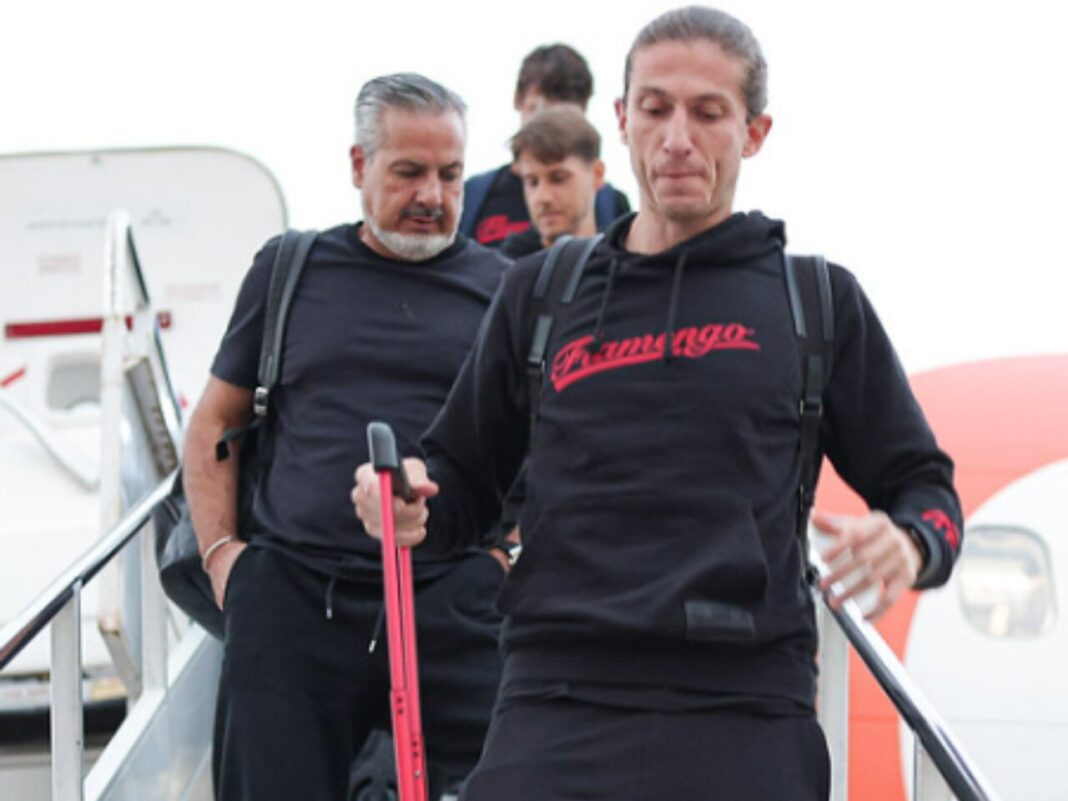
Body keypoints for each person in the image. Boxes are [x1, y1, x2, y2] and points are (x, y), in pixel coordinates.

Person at [353, 7, 963, 801]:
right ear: (621, 120)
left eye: (709, 112)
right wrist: (406, 501)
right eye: (655, 108)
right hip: (554, 697)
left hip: (746, 705)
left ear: (754, 131)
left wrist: (912, 542)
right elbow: (461, 483)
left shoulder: (817, 302)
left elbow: (928, 491)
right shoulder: (542, 292)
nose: (678, 137)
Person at [183, 72, 511, 801]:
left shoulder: (506, 288)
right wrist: (224, 561)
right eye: (409, 171)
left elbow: (546, 446)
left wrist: (503, 558)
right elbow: (213, 422)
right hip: (295, 600)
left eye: (451, 174)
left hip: (454, 599)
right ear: (360, 166)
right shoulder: (290, 270)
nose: (433, 194)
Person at [459, 43, 630, 247]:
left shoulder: (610, 204)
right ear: (518, 101)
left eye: (566, 119)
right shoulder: (475, 196)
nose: (550, 129)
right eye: (540, 111)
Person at [500, 105, 607, 259]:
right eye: (532, 182)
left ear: (597, 174)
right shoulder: (502, 274)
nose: (543, 197)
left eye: (558, 179)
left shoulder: (625, 267)